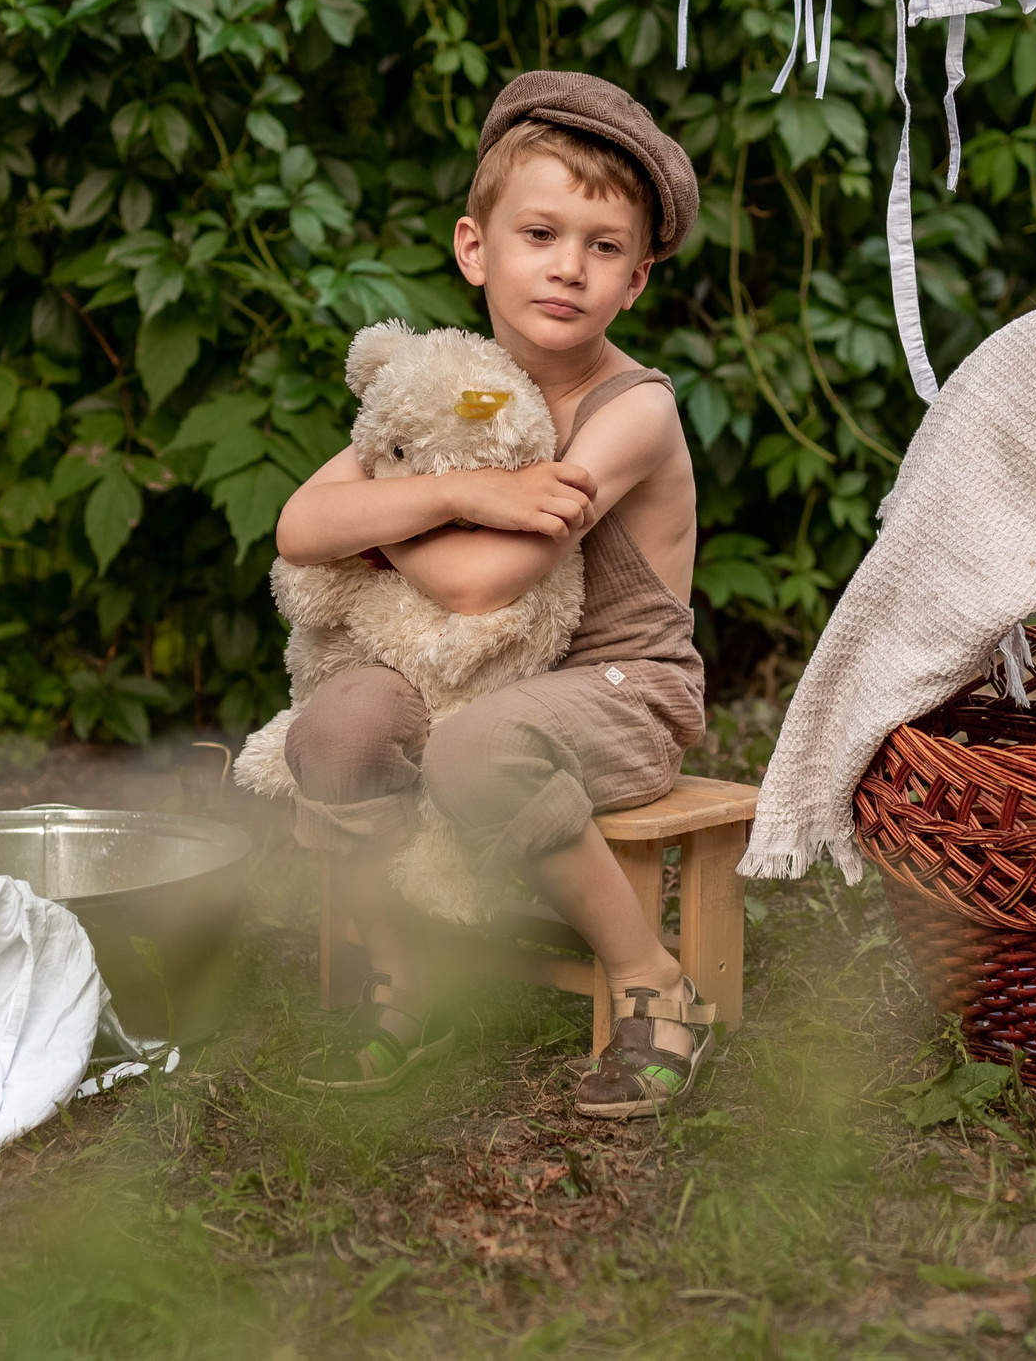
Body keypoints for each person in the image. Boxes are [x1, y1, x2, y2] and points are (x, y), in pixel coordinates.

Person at [274, 71, 710, 1119]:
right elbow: (299, 524)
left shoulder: (631, 410)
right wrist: (462, 489)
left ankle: (653, 981)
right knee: (335, 724)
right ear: (476, 247)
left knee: (479, 749)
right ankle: (408, 975)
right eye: (540, 234)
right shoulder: (444, 387)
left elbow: (480, 585)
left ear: (636, 280)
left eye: (603, 248)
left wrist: (387, 506)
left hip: (623, 689)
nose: (567, 267)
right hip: (484, 686)